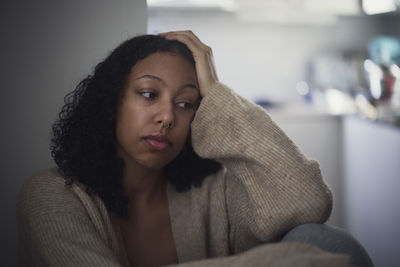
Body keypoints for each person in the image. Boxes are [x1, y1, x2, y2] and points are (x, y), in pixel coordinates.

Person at [17, 31, 371, 267]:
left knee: (326, 241)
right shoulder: (51, 194)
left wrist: (215, 92)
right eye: (148, 94)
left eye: (186, 103)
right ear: (111, 101)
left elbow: (310, 203)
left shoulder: (214, 191)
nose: (168, 116)